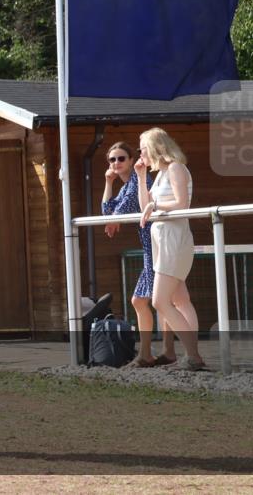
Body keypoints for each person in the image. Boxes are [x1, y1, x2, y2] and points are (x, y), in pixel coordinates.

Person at [101, 141, 177, 367]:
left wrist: (113, 219)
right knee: (152, 301)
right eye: (112, 160)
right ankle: (158, 352)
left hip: (156, 246)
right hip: (150, 247)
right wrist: (108, 181)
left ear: (132, 160)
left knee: (149, 301)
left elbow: (117, 213)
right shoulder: (125, 186)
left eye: (121, 158)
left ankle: (154, 353)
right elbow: (108, 211)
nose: (116, 163)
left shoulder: (136, 183)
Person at [136, 127, 206, 371]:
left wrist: (154, 206)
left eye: (142, 149)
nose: (140, 153)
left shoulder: (176, 168)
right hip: (162, 239)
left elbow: (181, 203)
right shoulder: (160, 174)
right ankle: (192, 356)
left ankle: (193, 356)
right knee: (180, 299)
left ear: (155, 147)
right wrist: (142, 176)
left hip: (173, 239)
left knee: (160, 301)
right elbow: (145, 206)